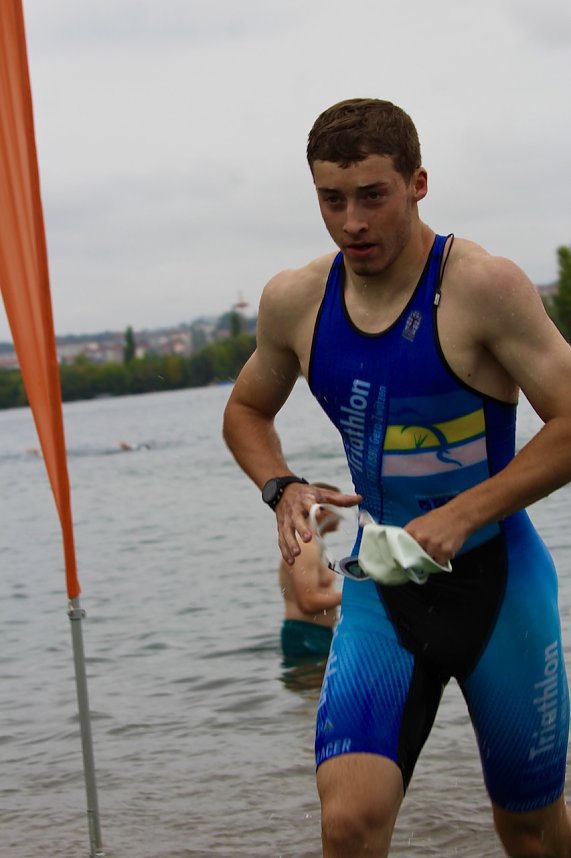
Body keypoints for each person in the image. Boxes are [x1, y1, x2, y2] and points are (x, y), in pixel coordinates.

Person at [222, 98, 571, 857]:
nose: (351, 221)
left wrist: (462, 513)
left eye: (371, 196)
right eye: (331, 199)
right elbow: (246, 411)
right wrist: (281, 485)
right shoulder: (297, 301)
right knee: (348, 823)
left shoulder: (483, 286)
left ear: (416, 183)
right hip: (383, 586)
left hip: (496, 583)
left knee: (530, 832)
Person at [279, 483, 342, 662]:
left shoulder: (315, 544)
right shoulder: (305, 546)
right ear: (320, 510)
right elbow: (307, 602)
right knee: (313, 690)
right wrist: (350, 595)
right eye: (337, 507)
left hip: (316, 633)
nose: (341, 515)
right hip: (305, 635)